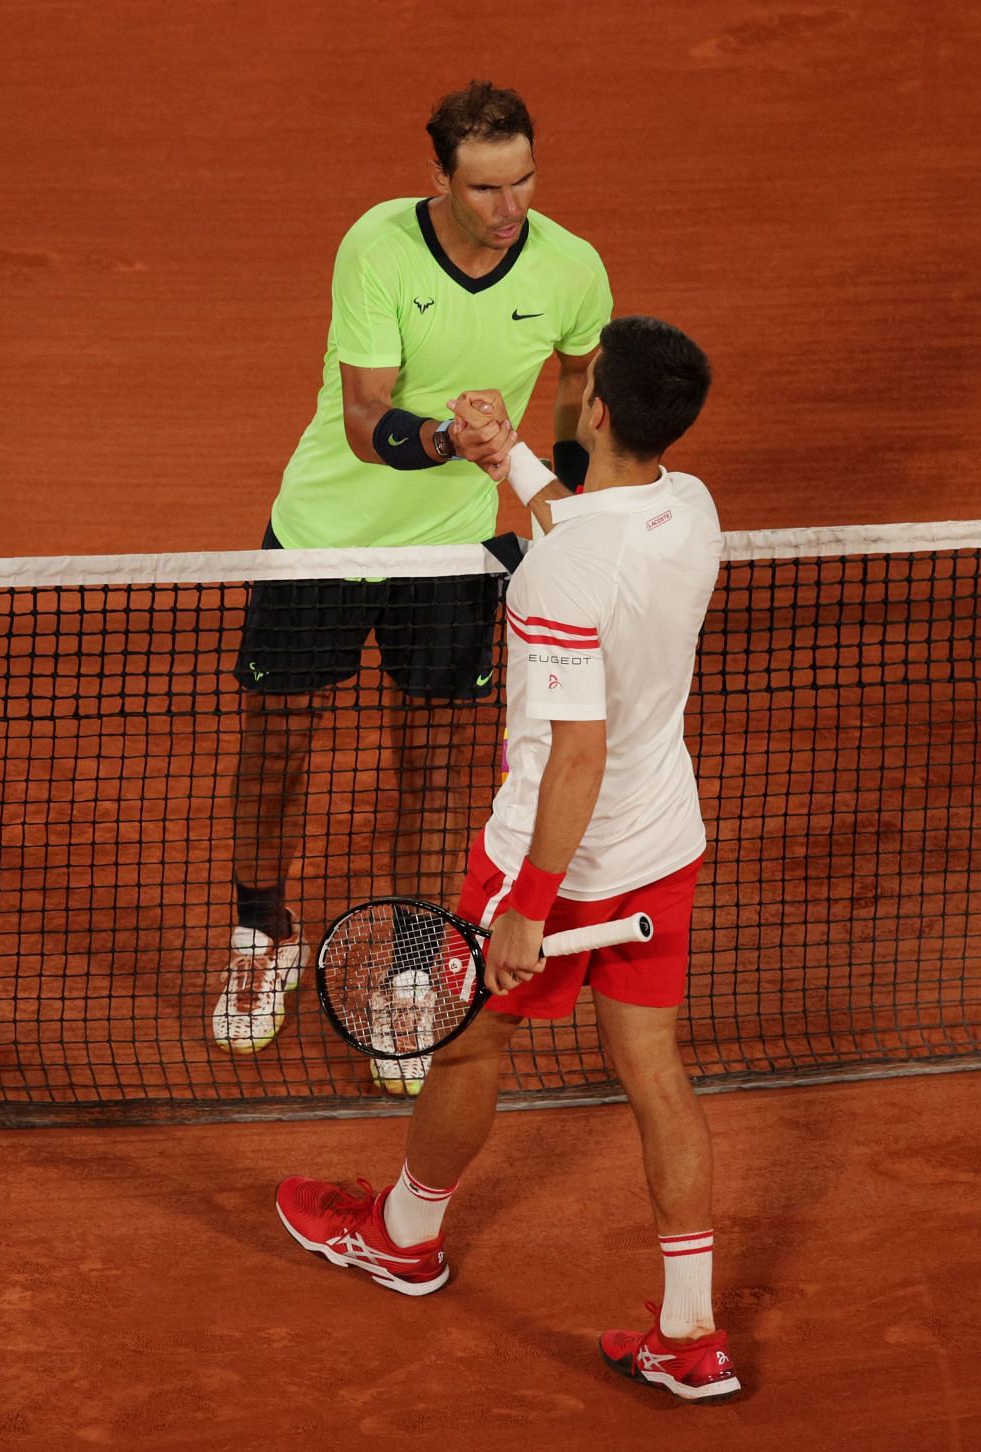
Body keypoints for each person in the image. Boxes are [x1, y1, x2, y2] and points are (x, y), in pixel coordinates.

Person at [274, 316, 742, 1404]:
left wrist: (528, 907)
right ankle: (694, 1335)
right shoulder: (692, 507)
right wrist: (504, 458)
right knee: (656, 1073)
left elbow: (575, 749)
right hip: (661, 845)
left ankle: (400, 1239)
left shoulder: (549, 584)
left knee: (468, 1053)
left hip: (551, 861)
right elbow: (584, 530)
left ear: (602, 410)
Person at [214, 81, 613, 1097]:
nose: (510, 207)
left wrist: (547, 474)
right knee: (277, 747)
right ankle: (263, 930)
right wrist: (453, 437)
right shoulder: (378, 247)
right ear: (439, 179)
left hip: (455, 558)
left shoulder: (572, 269)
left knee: (433, 766)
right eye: (485, 189)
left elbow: (577, 383)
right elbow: (365, 421)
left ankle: (406, 965)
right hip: (323, 540)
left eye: (523, 180)